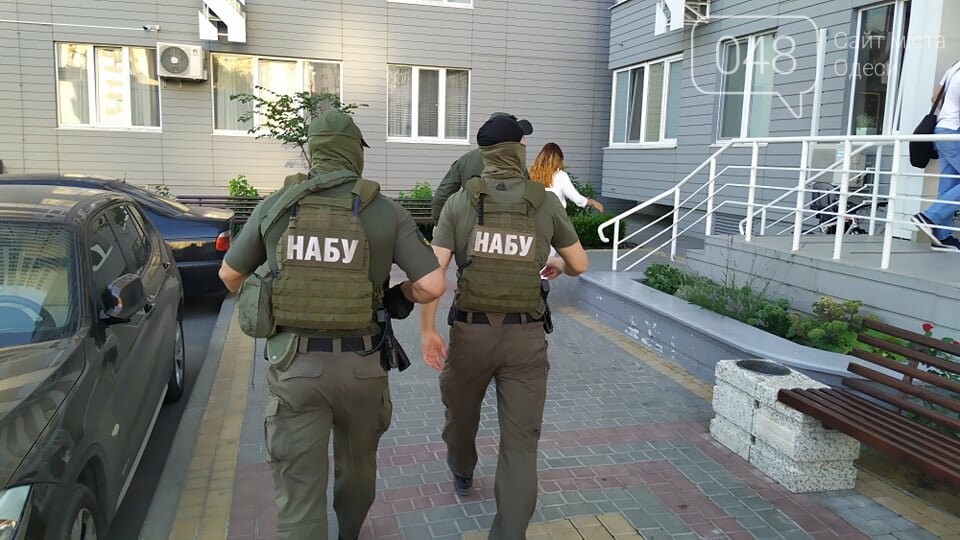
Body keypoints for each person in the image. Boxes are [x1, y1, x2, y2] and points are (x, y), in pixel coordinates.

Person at [218, 110, 445, 540]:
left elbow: (229, 276)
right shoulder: (385, 211)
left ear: (315, 151)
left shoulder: (277, 205)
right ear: (355, 153)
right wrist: (398, 295)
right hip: (363, 366)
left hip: (295, 366)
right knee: (357, 470)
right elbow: (433, 285)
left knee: (299, 487)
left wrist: (278, 286)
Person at [419, 114, 589, 539]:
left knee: (460, 418)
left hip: (470, 336)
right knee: (520, 445)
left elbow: (433, 276)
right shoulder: (544, 201)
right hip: (526, 339)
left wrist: (427, 330)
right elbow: (580, 264)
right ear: (517, 151)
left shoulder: (460, 202)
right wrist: (556, 263)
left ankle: (462, 468)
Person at [430, 112, 534, 225]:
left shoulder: (464, 161)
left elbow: (440, 198)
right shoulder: (516, 164)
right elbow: (529, 200)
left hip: (469, 225)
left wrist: (440, 225)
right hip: (507, 227)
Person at [913, 59, 960, 252]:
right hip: (954, 133)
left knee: (948, 185)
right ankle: (930, 216)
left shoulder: (955, 67)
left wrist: (949, 114)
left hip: (942, 130)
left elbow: (934, 97)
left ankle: (942, 238)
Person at [529, 142, 604, 213]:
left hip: (535, 217)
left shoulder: (532, 174)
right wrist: (591, 202)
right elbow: (576, 198)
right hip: (555, 216)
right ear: (558, 159)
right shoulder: (560, 176)